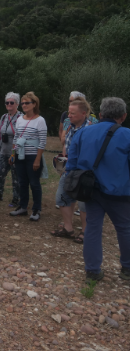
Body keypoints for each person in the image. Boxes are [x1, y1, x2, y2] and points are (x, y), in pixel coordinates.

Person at [66, 97, 130, 282]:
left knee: (92, 228)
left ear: (100, 115)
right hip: (120, 191)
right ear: (123, 116)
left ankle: (92, 271)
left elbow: (72, 164)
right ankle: (126, 268)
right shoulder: (127, 135)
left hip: (90, 190)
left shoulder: (83, 133)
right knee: (125, 229)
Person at [51, 97, 97, 243]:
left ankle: (85, 231)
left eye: (72, 113)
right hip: (69, 169)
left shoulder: (91, 128)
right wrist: (64, 158)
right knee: (62, 197)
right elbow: (66, 144)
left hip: (84, 171)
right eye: (69, 113)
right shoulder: (70, 126)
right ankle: (68, 228)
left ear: (83, 114)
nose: (69, 116)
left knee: (83, 203)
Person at [9, 92, 47, 221]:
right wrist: (13, 153)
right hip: (20, 155)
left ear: (34, 104)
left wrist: (37, 159)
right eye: (23, 103)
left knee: (34, 183)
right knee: (22, 182)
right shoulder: (20, 119)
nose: (24, 105)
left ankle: (36, 209)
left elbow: (42, 141)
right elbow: (16, 137)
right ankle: (23, 206)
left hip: (32, 155)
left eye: (27, 103)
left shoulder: (40, 120)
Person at [0, 92, 22, 206]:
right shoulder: (4, 117)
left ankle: (16, 198)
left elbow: (20, 135)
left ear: (17, 104)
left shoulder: (21, 118)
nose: (9, 104)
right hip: (3, 151)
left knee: (16, 177)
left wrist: (14, 153)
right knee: (0, 173)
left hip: (15, 152)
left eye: (12, 102)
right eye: (7, 102)